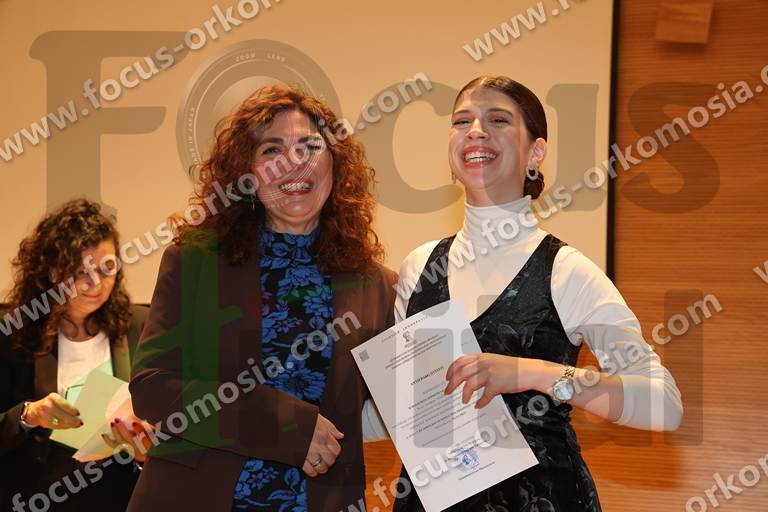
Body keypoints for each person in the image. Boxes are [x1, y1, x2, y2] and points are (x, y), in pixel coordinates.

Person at [391, 76, 684, 511]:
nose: (475, 131)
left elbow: (664, 405)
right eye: (462, 121)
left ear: (536, 152)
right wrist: (310, 429)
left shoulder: (566, 271)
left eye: (498, 120)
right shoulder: (418, 266)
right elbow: (402, 410)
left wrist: (531, 373)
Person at [127, 84, 398, 512]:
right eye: (272, 149)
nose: (293, 162)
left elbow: (403, 405)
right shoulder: (195, 262)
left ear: (335, 163)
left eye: (310, 147)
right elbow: (152, 388)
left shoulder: (378, 286)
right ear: (248, 172)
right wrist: (286, 425)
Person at [0, 199, 153, 511]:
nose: (96, 283)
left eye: (107, 268)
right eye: (82, 271)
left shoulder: (141, 326)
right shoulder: (13, 331)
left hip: (120, 496)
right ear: (53, 271)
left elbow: (170, 420)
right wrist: (29, 415)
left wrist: (144, 444)